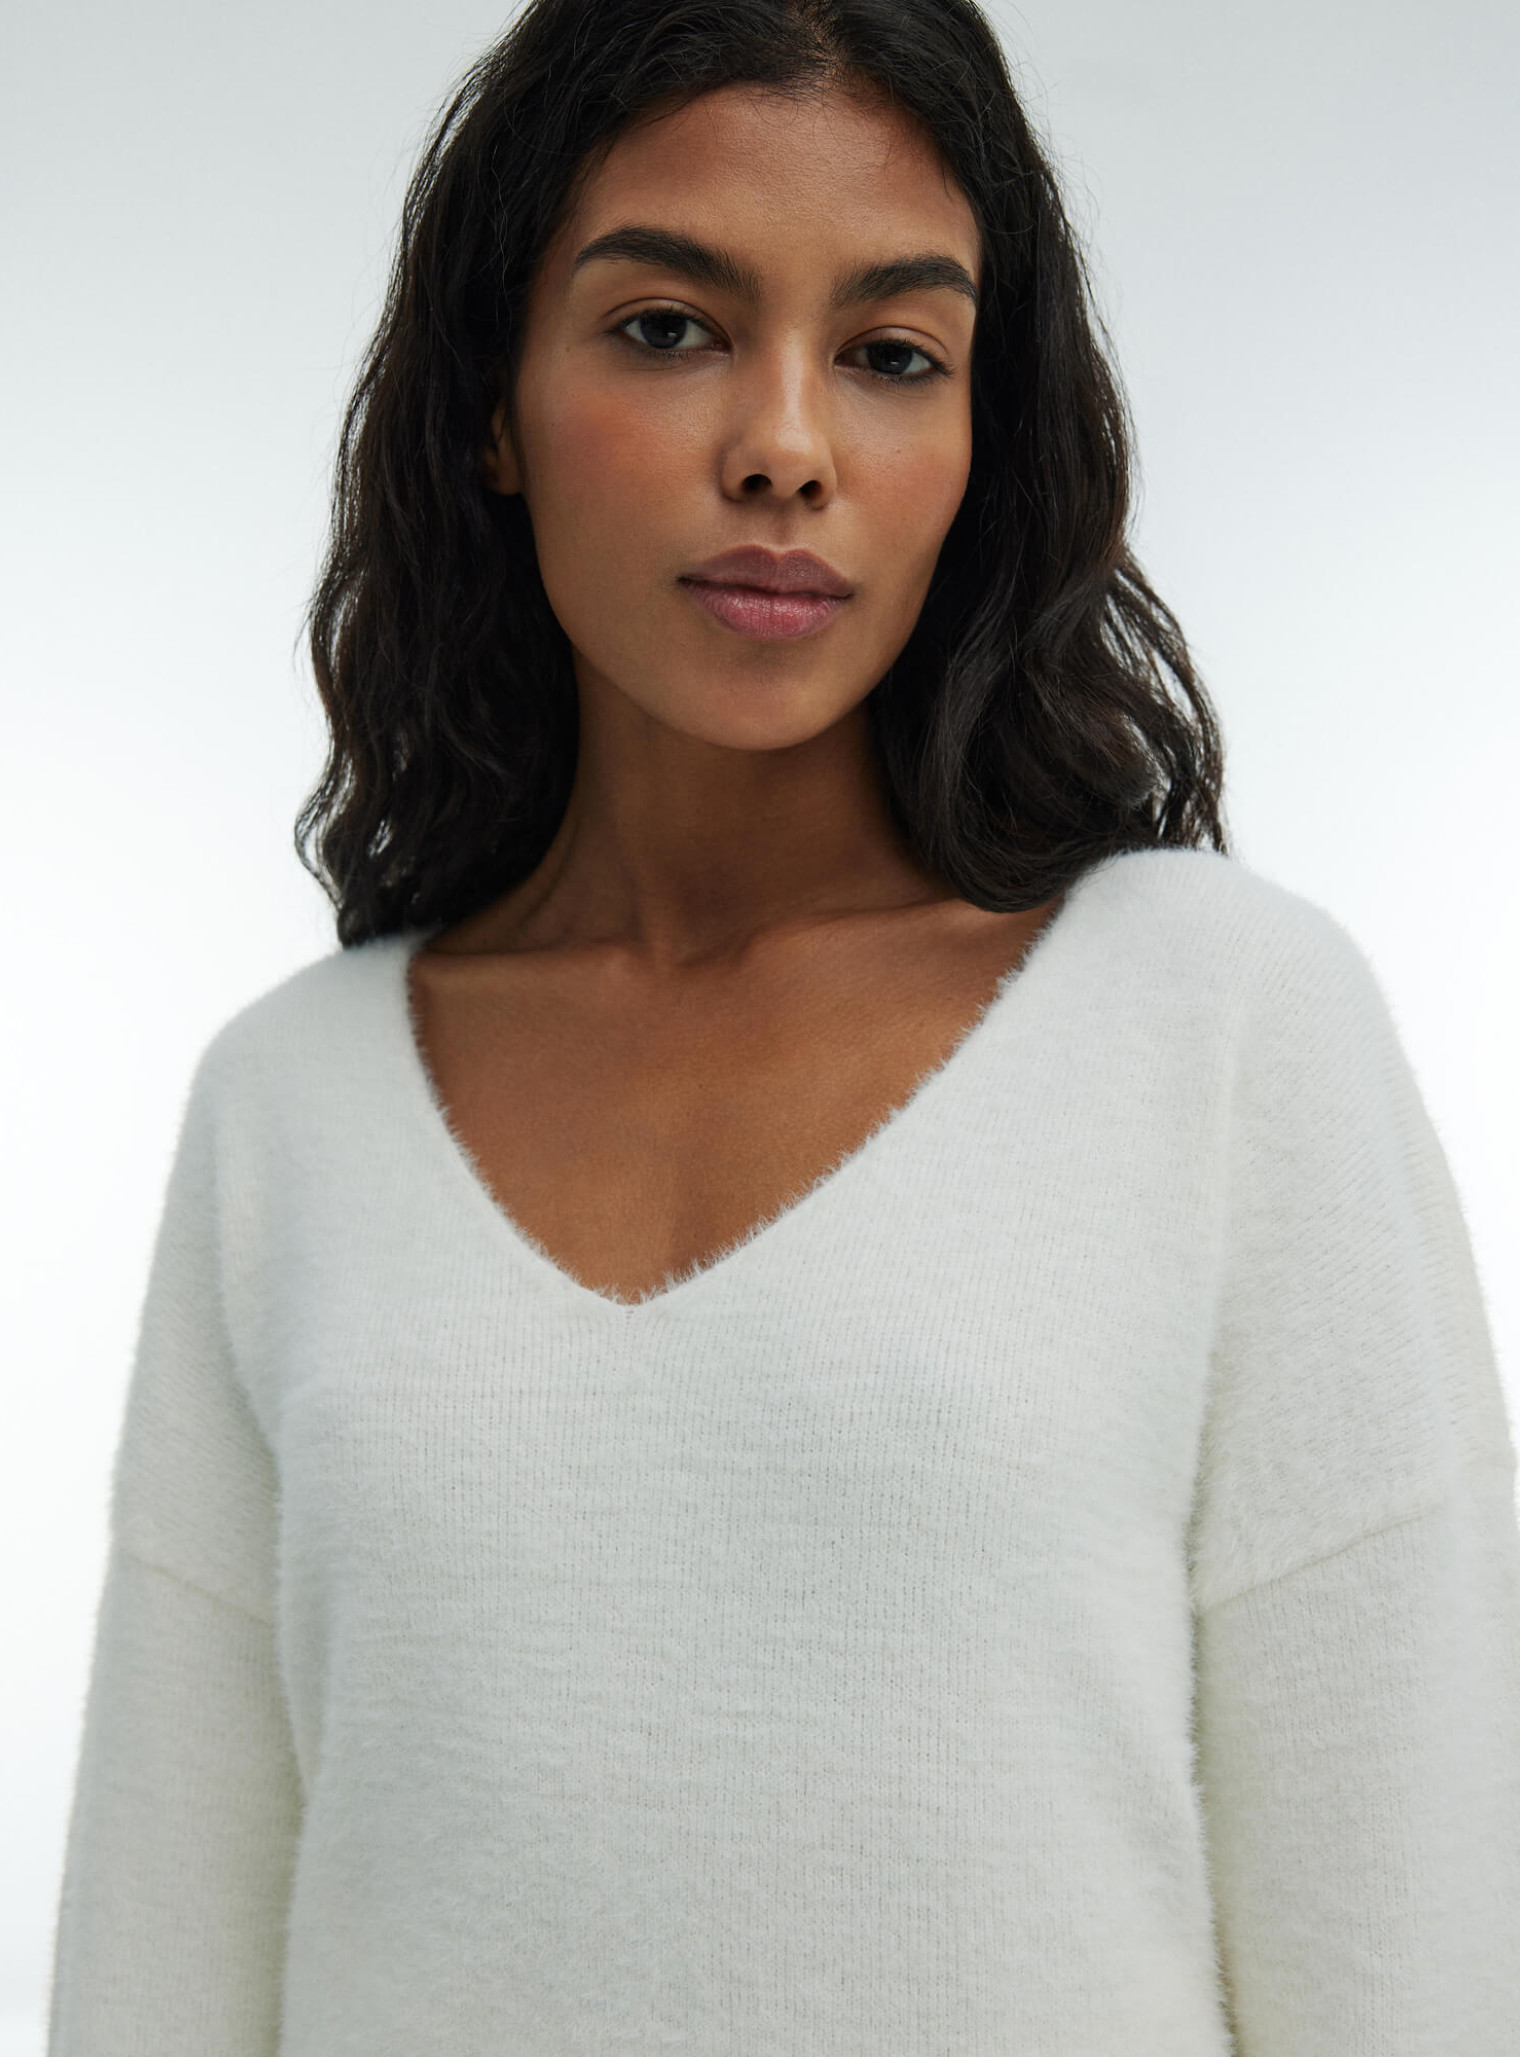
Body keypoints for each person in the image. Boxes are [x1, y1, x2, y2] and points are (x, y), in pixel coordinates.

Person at [46, 0, 1520, 2049]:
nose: (787, 447)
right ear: (493, 399)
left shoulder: (1220, 1029)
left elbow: (1422, 1947)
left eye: (894, 354)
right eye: (667, 327)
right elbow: (157, 1969)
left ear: (981, 440)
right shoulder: (289, 1108)